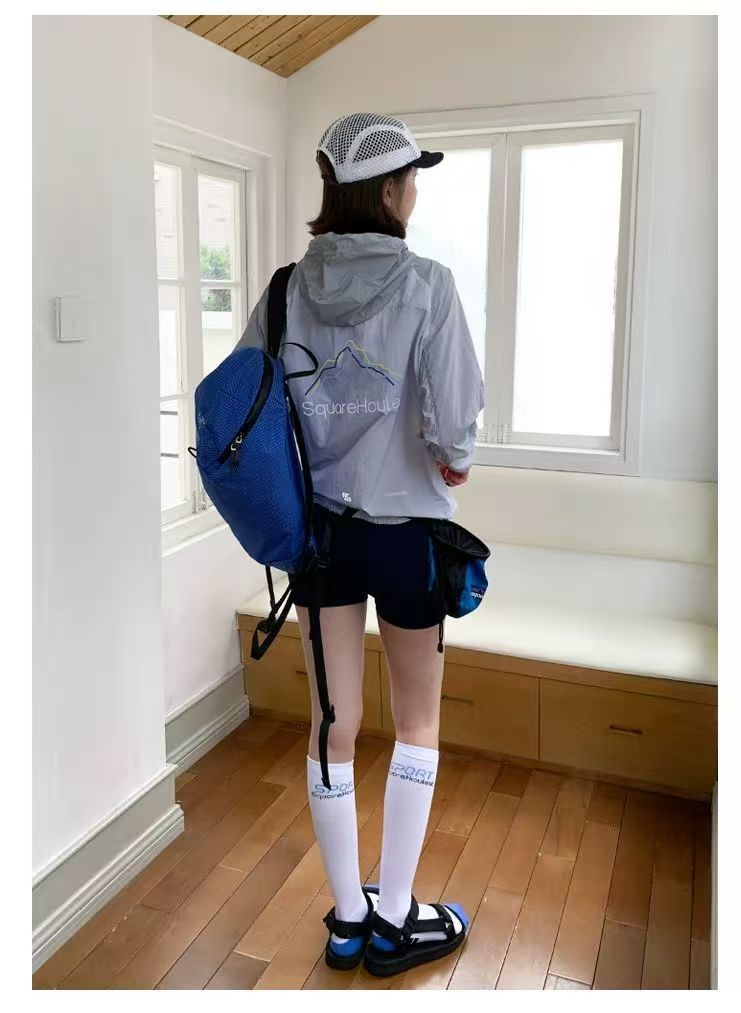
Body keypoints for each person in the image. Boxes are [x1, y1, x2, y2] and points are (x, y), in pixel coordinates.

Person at [236, 112, 484, 977]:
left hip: (320, 538)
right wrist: (451, 458)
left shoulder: (284, 290)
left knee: (332, 722)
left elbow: (245, 402)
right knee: (417, 720)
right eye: (412, 178)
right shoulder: (430, 285)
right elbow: (455, 428)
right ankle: (396, 916)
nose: (416, 191)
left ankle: (347, 918)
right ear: (388, 191)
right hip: (408, 535)